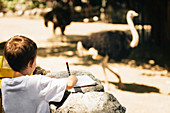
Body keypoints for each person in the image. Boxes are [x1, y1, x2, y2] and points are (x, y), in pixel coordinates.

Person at [1, 35, 78, 113]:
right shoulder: (37, 82)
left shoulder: (4, 84)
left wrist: (48, 81)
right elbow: (70, 84)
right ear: (31, 63)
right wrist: (72, 77)